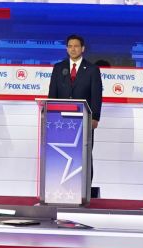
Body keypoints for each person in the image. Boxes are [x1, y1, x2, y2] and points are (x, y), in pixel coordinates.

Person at [48, 34, 103, 182]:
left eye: (76, 46)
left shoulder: (92, 69)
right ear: (66, 49)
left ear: (82, 49)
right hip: (61, 121)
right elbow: (52, 94)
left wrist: (95, 117)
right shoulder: (59, 68)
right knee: (61, 152)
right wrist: (51, 115)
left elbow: (96, 95)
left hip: (85, 121)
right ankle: (60, 184)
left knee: (84, 154)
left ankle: (85, 189)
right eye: (70, 46)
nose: (73, 49)